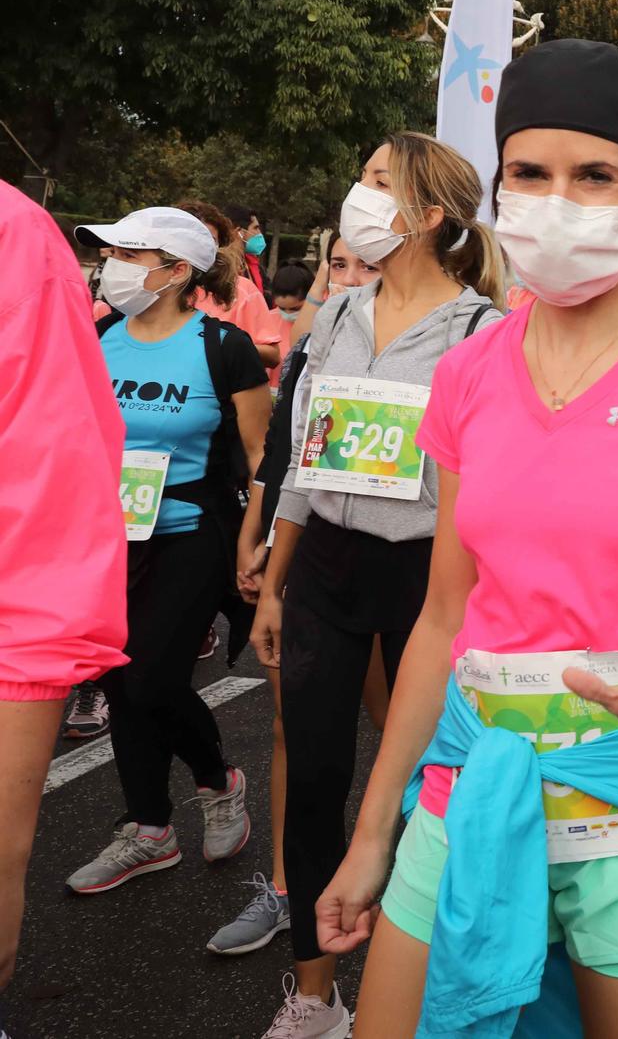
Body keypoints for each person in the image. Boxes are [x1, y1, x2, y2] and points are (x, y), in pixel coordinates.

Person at [314, 38, 618, 1039]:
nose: (558, 200)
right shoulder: (467, 371)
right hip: (477, 780)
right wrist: (375, 831)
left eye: (595, 177)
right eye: (530, 174)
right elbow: (444, 614)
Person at [246, 132, 508, 1036]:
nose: (357, 194)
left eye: (376, 181)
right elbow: (302, 463)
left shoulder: (484, 331)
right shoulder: (334, 317)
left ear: (430, 214)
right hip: (325, 564)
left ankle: (418, 981)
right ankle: (314, 996)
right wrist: (275, 580)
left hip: (428, 577)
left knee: (429, 785)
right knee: (314, 773)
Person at [64, 206, 270, 899]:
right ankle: (149, 826)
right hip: (112, 533)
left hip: (194, 529)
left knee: (151, 676)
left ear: (177, 270)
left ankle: (219, 782)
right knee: (120, 677)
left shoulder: (223, 346)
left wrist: (256, 538)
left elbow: (259, 453)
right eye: (111, 253)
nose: (114, 266)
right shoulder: (101, 337)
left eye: (131, 253)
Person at [213, 234, 385, 962]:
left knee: (406, 733)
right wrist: (260, 534)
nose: (346, 278)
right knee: (298, 731)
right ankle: (289, 887)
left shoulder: (462, 334)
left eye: (363, 265)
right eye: (335, 264)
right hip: (313, 551)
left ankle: (406, 882)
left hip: (406, 563)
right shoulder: (320, 337)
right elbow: (287, 449)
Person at [0, 181, 128, 994]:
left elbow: (50, 476)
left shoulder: (15, 238)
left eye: (140, 255)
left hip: (169, 537)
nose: (120, 268)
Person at [181, 200, 283, 370]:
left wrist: (223, 345)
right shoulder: (149, 289)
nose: (198, 248)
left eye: (209, 240)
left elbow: (273, 356)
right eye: (189, 239)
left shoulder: (240, 289)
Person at [228, 205, 269, 296]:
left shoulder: (254, 265)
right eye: (255, 228)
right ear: (239, 232)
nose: (259, 233)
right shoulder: (222, 267)